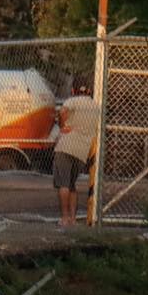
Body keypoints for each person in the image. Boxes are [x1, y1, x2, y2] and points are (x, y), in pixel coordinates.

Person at [53, 81, 99, 227]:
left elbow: (62, 111)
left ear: (73, 90)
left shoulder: (72, 100)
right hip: (82, 151)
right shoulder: (96, 107)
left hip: (66, 146)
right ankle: (73, 218)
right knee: (72, 185)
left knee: (63, 184)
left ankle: (65, 218)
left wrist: (62, 126)